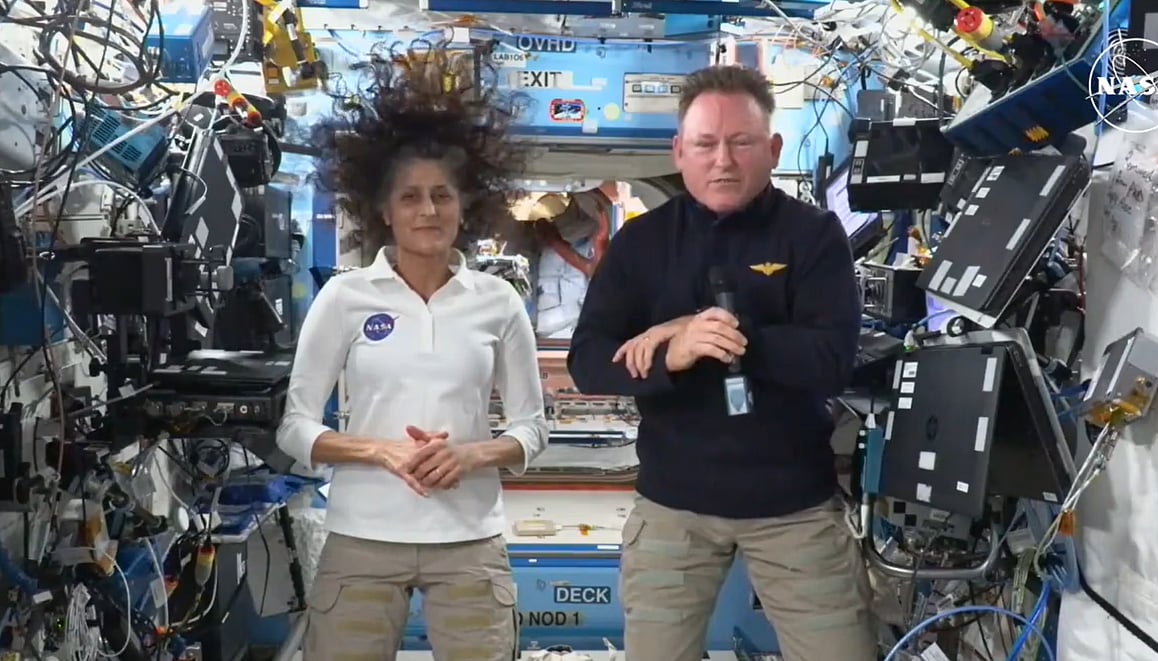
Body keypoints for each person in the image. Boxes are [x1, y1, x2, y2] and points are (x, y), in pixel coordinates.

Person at [567, 65, 874, 660]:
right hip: (672, 508)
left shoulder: (813, 236)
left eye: (742, 142)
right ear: (679, 151)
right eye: (705, 144)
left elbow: (832, 360)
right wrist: (673, 356)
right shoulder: (642, 243)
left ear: (773, 148)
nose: (723, 161)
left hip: (794, 510)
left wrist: (730, 337)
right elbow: (588, 361)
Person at [277, 47, 549, 661]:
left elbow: (533, 430)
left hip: (470, 540)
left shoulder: (498, 301)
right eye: (410, 197)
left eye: (442, 196)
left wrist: (472, 453)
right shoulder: (345, 297)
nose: (428, 210)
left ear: (465, 205)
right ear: (383, 209)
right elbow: (296, 427)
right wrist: (380, 450)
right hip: (361, 538)